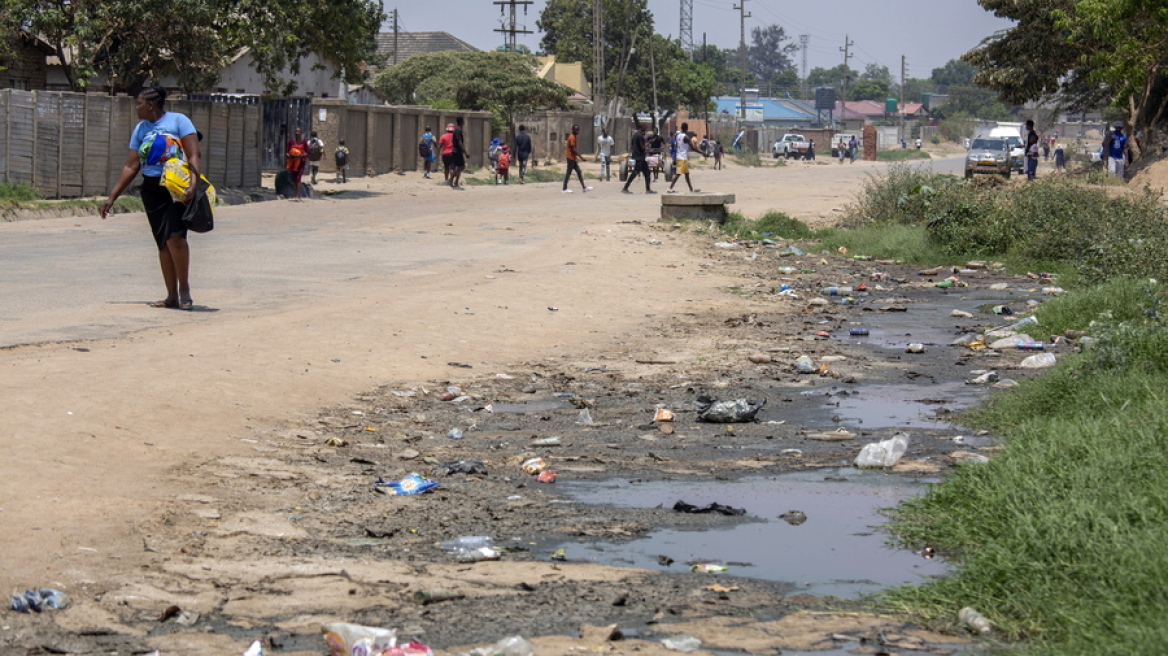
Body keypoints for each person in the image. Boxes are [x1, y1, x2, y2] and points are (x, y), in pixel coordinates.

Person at [99, 85, 201, 311]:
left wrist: (194, 184)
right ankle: (171, 296)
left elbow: (194, 154)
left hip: (176, 188)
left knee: (176, 238)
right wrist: (112, 197)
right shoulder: (141, 129)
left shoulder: (179, 121)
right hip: (152, 190)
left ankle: (184, 290)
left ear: (151, 104)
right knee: (163, 243)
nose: (137, 107)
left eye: (139, 103)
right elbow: (131, 165)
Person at [621, 121, 654, 194]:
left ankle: (648, 189)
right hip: (640, 157)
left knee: (646, 172)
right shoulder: (640, 136)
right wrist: (649, 142)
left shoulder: (635, 135)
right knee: (635, 173)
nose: (646, 128)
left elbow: (633, 146)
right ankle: (625, 187)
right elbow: (642, 147)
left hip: (637, 156)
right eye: (645, 127)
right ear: (642, 127)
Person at [668, 123, 702, 193]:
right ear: (687, 128)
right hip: (682, 158)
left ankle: (691, 189)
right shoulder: (686, 137)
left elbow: (677, 146)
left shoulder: (677, 136)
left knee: (687, 174)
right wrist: (703, 153)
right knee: (678, 174)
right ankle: (670, 188)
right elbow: (693, 148)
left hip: (680, 156)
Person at [561, 124, 591, 193]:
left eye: (578, 129)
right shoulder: (572, 137)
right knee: (569, 173)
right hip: (570, 157)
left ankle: (584, 187)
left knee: (578, 172)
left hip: (572, 158)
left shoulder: (574, 137)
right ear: (573, 130)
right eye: (576, 129)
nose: (577, 131)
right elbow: (573, 149)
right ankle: (564, 188)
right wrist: (581, 157)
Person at [286, 127, 308, 199]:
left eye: (298, 131)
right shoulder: (291, 142)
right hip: (293, 162)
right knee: (294, 178)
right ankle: (298, 192)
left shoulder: (304, 142)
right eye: (296, 131)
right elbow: (287, 152)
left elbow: (307, 153)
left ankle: (297, 195)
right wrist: (290, 156)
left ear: (301, 133)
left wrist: (299, 156)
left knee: (298, 177)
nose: (297, 133)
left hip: (301, 162)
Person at [450, 116, 467, 189]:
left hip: (456, 150)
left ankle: (455, 182)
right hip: (457, 151)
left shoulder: (458, 129)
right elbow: (459, 142)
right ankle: (451, 179)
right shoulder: (458, 130)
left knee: (459, 167)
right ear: (461, 122)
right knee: (461, 166)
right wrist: (465, 152)